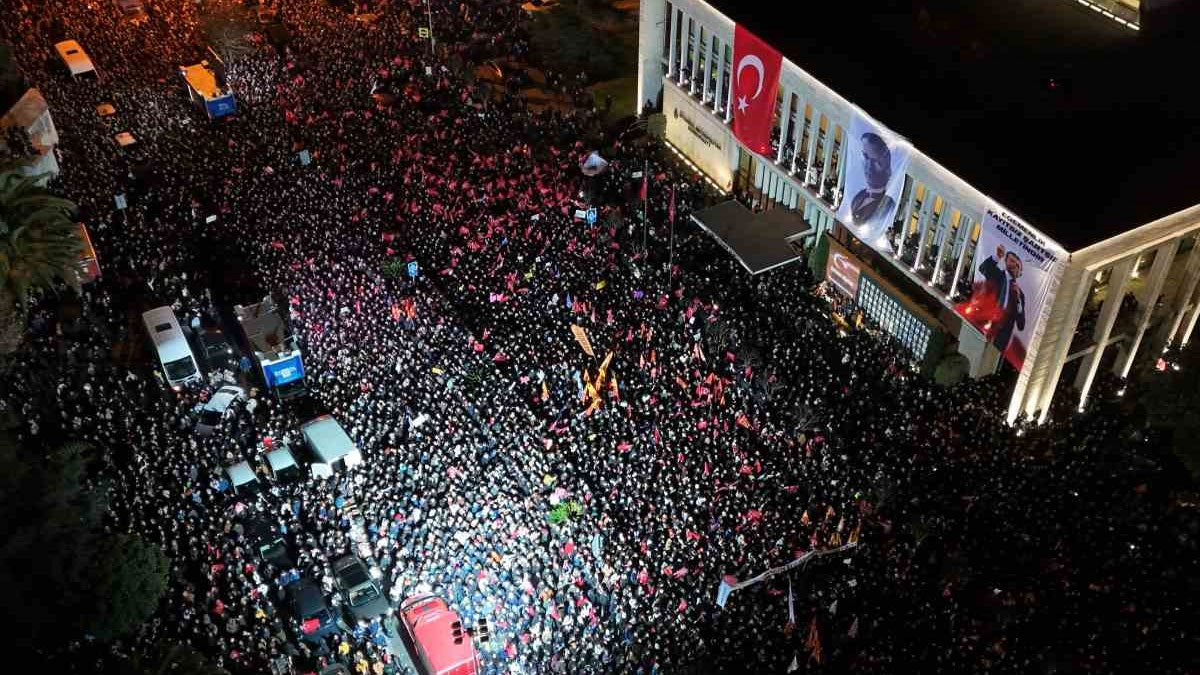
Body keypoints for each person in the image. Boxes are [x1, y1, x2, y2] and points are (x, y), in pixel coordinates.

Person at [973, 246, 1026, 353]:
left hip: (1001, 339)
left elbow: (1021, 325)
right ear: (1005, 261)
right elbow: (983, 268)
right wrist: (997, 256)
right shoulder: (997, 275)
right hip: (984, 324)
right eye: (1012, 261)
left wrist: (1018, 301)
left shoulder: (1020, 295)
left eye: (1017, 265)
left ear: (1020, 273)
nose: (1014, 265)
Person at [849, 132, 895, 226]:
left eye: (876, 161)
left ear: (888, 170)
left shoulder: (887, 206)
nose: (869, 166)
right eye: (866, 156)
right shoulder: (856, 199)